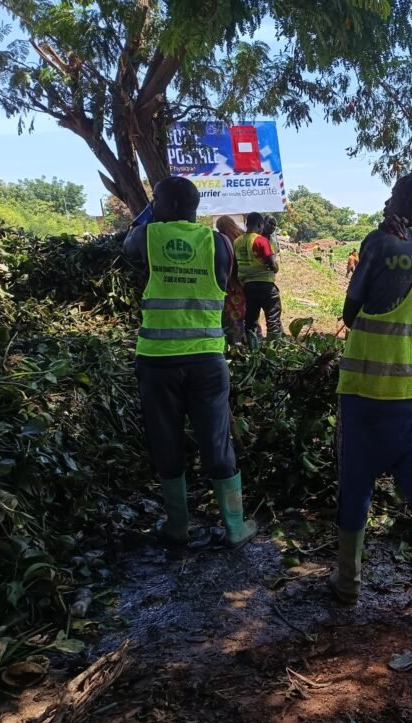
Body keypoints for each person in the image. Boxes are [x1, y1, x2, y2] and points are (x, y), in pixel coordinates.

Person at [332, 172, 412, 631]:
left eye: (393, 193)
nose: (386, 198)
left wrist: (381, 240)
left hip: (365, 400)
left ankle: (347, 585)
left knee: (355, 490)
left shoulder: (381, 244)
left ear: (404, 200)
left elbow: (350, 312)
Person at [123, 177, 257, 547]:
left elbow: (128, 244)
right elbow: (222, 281)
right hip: (207, 360)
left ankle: (178, 527)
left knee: (166, 440)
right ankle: (235, 528)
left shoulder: (149, 237)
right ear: (196, 207)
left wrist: (151, 212)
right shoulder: (220, 244)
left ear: (163, 205)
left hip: (158, 362)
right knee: (217, 440)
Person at [234, 212, 283, 340]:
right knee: (273, 319)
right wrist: (275, 267)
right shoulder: (260, 240)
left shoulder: (237, 241)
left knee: (250, 321)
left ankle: (251, 351)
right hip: (265, 285)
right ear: (260, 224)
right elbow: (273, 265)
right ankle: (275, 350)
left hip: (248, 286)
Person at [214, 216, 246, 346]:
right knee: (246, 316)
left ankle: (235, 345)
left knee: (232, 319)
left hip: (230, 286)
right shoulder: (243, 237)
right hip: (244, 284)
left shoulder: (221, 241)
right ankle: (251, 342)